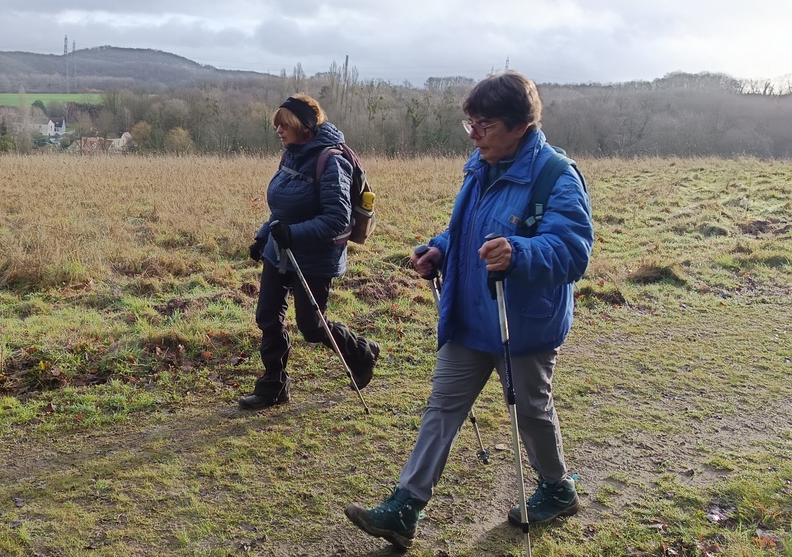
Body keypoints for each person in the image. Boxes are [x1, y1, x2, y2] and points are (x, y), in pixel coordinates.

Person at [344, 72, 594, 550]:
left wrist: (519, 253)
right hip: (469, 315)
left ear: (521, 126)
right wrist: (439, 248)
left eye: (486, 124)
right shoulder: (481, 164)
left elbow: (573, 252)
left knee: (531, 412)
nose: (474, 134)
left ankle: (557, 487)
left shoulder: (556, 176)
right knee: (442, 408)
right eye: (470, 123)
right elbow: (466, 229)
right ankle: (405, 507)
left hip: (521, 323)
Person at [240, 94, 381, 409]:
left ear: (303, 125)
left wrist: (293, 233)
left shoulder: (331, 161)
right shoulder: (290, 155)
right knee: (268, 318)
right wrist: (264, 237)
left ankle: (361, 351)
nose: (279, 130)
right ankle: (273, 387)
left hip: (315, 257)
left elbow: (337, 219)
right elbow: (281, 208)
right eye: (277, 125)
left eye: (284, 124)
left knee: (312, 325)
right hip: (280, 251)